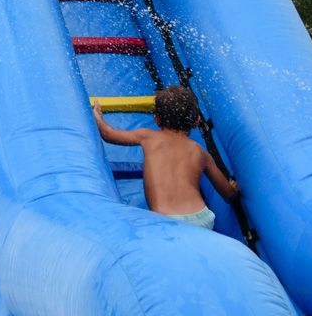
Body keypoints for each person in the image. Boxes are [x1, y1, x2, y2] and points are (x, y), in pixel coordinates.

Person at [91, 85, 238, 230]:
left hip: (166, 220)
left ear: (157, 120)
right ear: (197, 121)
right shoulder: (200, 152)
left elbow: (108, 135)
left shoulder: (148, 136)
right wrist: (232, 187)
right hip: (202, 218)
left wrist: (98, 115)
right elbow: (229, 195)